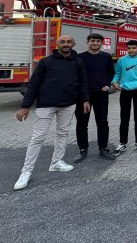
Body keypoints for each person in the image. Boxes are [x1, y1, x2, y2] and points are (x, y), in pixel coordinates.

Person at [13, 35, 90, 190]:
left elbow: (83, 82)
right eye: (63, 42)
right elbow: (34, 84)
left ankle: (56, 162)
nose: (66, 44)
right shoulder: (46, 62)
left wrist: (85, 100)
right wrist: (25, 106)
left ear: (73, 44)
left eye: (69, 42)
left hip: (68, 104)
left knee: (62, 133)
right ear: (57, 44)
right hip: (46, 105)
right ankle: (26, 172)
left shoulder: (78, 62)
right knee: (37, 138)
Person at [73, 33, 116, 163]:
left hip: (101, 94)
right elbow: (76, 75)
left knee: (102, 122)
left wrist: (107, 85)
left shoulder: (106, 57)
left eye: (98, 41)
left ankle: (103, 148)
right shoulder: (79, 57)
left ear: (101, 43)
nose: (95, 43)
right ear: (87, 42)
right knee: (82, 123)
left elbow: (111, 73)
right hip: (83, 96)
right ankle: (82, 149)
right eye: (93, 41)